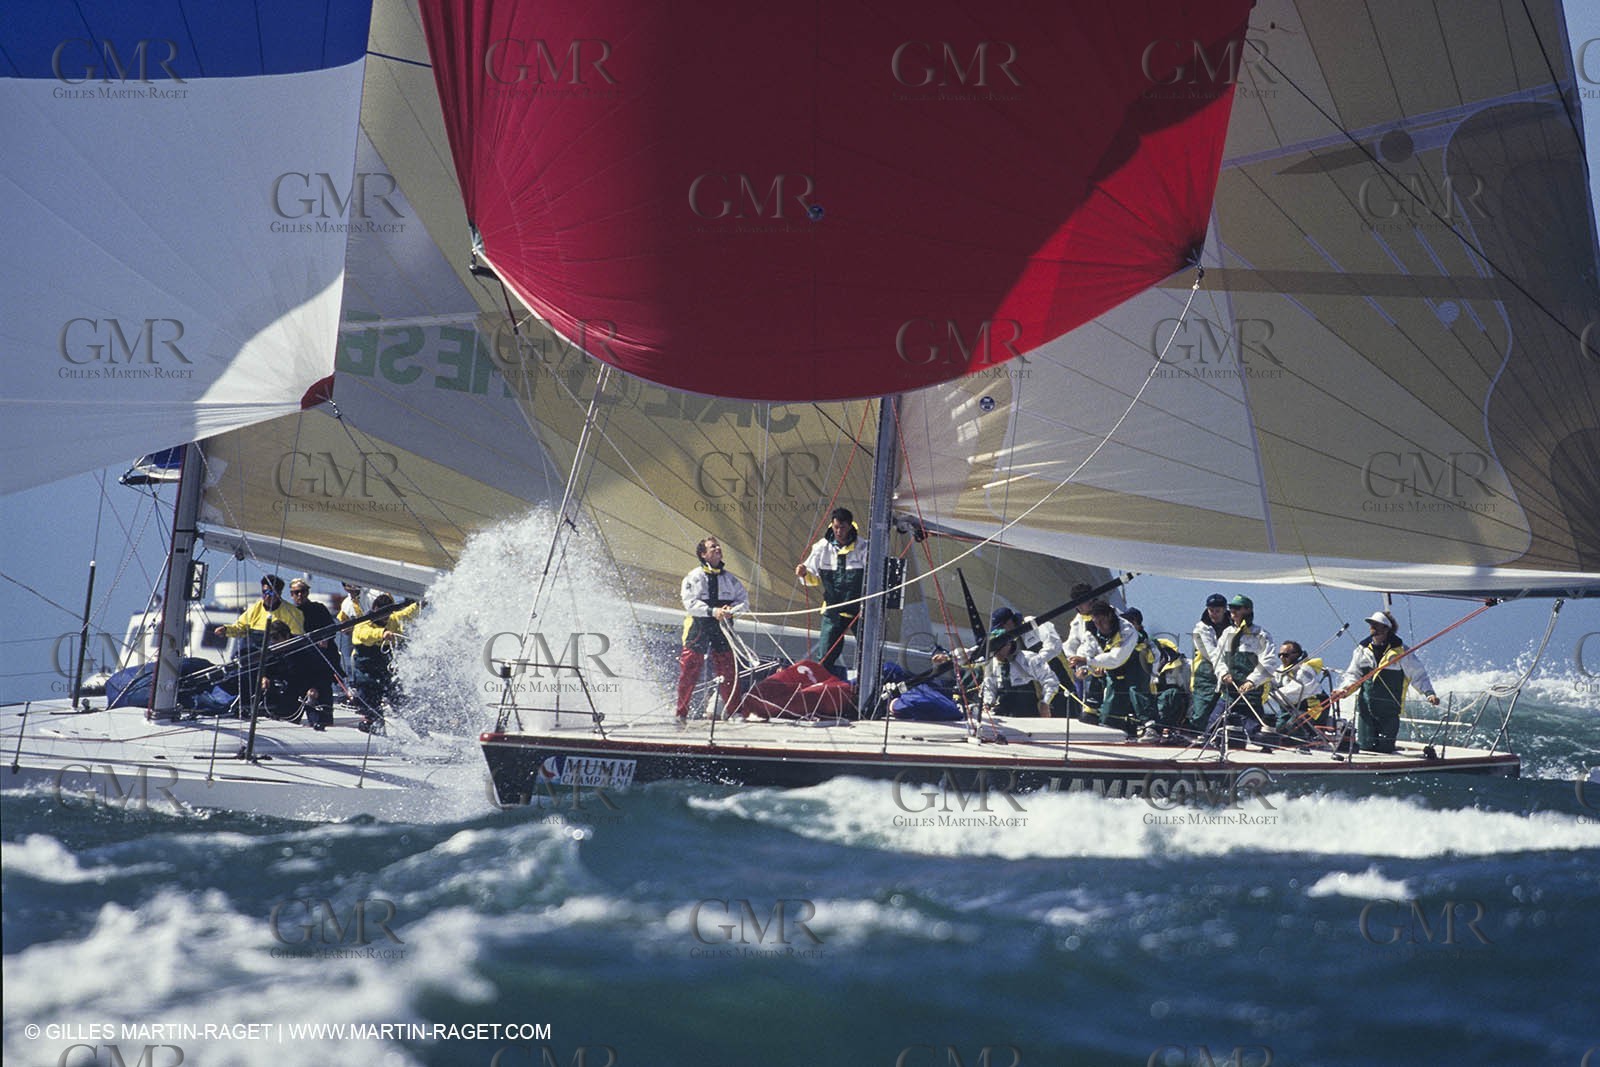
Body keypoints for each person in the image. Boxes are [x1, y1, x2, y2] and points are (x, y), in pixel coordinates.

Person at [1331, 610, 1440, 753]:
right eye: (1371, 625)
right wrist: (1343, 691)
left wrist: (1429, 693)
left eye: (1376, 625)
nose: (1372, 628)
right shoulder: (1361, 650)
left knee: (1385, 749)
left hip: (1389, 711)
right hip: (1366, 709)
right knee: (1366, 746)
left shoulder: (1402, 651)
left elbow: (1418, 674)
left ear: (1386, 629)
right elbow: (1353, 675)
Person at [676, 536, 750, 722]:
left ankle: (734, 713)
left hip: (723, 627)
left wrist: (731, 611)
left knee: (728, 670)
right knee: (690, 669)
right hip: (699, 627)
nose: (718, 548)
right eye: (712, 547)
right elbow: (690, 603)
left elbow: (744, 602)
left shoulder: (730, 580)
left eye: (718, 546)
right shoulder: (694, 577)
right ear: (703, 554)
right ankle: (680, 713)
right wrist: (712, 611)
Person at [795, 507, 868, 674]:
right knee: (825, 656)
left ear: (850, 526)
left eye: (842, 527)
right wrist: (804, 573)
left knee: (868, 653)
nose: (839, 531)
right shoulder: (822, 547)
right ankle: (821, 686)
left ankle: (866, 685)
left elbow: (876, 578)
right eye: (836, 527)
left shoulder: (864, 547)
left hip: (860, 611)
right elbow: (811, 578)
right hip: (833, 609)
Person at [1210, 594, 1281, 739]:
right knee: (1212, 727)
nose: (1232, 611)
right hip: (1229, 693)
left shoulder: (1261, 635)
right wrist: (1223, 673)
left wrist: (1252, 681)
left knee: (1253, 731)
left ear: (1248, 610)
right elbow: (1217, 658)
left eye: (1237, 608)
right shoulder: (1227, 633)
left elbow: (1269, 661)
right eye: (1231, 608)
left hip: (1251, 695)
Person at [349, 592, 420, 731]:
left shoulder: (392, 618)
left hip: (385, 670)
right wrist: (382, 633)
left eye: (388, 614)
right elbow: (365, 634)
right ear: (375, 609)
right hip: (366, 672)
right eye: (382, 614)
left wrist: (418, 604)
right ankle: (373, 726)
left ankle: (420, 731)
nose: (385, 618)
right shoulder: (363, 623)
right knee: (370, 702)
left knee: (400, 701)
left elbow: (406, 614)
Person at [1076, 600, 1144, 736]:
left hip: (1135, 665)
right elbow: (1086, 650)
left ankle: (1150, 727)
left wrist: (1089, 661)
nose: (1099, 626)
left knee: (1138, 692)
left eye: (1102, 621)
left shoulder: (1127, 630)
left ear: (1109, 616)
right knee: (1108, 716)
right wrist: (1084, 668)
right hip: (1112, 671)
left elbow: (1116, 658)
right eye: (1096, 622)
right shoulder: (1092, 629)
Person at [979, 618, 1061, 719]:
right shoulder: (991, 665)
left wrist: (1045, 703)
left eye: (998, 647)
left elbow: (1051, 681)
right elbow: (989, 688)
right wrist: (987, 704)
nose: (995, 651)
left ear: (1009, 645)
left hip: (1030, 712)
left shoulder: (1030, 658)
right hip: (1004, 712)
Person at [287, 579, 338, 728]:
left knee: (322, 701)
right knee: (296, 699)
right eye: (296, 592)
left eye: (303, 591)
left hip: (321, 663)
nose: (300, 595)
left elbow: (331, 629)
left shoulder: (318, 608)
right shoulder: (290, 611)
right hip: (300, 665)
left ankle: (323, 723)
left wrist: (324, 638)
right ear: (291, 594)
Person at [215, 575, 305, 653]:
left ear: (279, 593)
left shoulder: (293, 613)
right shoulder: (255, 608)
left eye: (271, 592)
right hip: (253, 654)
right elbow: (240, 628)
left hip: (277, 656)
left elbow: (295, 640)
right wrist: (225, 630)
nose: (267, 596)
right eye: (265, 592)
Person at [257, 620, 323, 724]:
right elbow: (265, 667)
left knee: (318, 722)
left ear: (287, 636)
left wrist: (314, 687)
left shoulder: (305, 649)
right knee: (281, 717)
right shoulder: (271, 649)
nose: (273, 641)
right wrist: (264, 677)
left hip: (307, 688)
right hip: (285, 688)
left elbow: (318, 671)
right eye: (271, 638)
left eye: (276, 638)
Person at [1267, 640, 1331, 742]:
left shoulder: (1305, 670)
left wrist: (1271, 695)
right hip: (1291, 709)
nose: (1282, 658)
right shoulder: (1281, 671)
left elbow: (1298, 689)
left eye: (1285, 655)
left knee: (1291, 726)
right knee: (1276, 725)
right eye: (1280, 655)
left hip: (1312, 709)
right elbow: (1271, 681)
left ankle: (1305, 739)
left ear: (1296, 655)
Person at [1186, 593, 1231, 734]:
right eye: (1211, 610)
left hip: (1229, 672)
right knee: (1201, 710)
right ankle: (1194, 733)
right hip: (1205, 674)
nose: (1214, 614)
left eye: (1217, 611)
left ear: (1224, 610)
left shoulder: (1234, 627)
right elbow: (1210, 652)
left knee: (1224, 709)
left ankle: (1216, 735)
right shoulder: (1200, 629)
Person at [1058, 582, 1104, 720]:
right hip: (1084, 668)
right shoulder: (1078, 621)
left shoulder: (1107, 613)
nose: (1079, 607)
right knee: (1084, 697)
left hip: (1105, 664)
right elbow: (1070, 644)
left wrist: (1103, 663)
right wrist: (1073, 659)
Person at [336, 581, 365, 679]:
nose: (352, 587)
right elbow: (344, 625)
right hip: (360, 645)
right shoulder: (346, 604)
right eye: (348, 585)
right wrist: (347, 629)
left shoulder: (371, 595)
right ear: (345, 587)